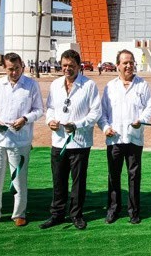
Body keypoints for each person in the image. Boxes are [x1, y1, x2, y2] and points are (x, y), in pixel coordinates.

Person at [0, 53, 44, 227]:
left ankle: (19, 214)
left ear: (22, 66)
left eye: (16, 68)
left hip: (20, 141)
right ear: (4, 68)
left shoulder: (31, 85)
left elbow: (38, 110)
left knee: (19, 179)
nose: (14, 72)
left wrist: (25, 119)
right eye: (10, 69)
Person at [39, 50, 101, 230]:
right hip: (58, 141)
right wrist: (50, 120)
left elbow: (95, 112)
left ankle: (76, 214)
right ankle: (57, 214)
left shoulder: (89, 85)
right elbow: (50, 108)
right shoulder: (55, 84)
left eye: (71, 66)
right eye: (64, 65)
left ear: (79, 66)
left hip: (79, 142)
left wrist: (78, 124)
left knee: (78, 181)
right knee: (58, 180)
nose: (67, 69)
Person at [99, 49, 151, 225]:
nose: (129, 65)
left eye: (131, 62)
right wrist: (106, 127)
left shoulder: (142, 85)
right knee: (113, 176)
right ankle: (113, 210)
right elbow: (103, 113)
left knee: (134, 176)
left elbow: (148, 108)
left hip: (134, 139)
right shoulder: (110, 87)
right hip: (114, 139)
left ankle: (134, 211)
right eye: (125, 63)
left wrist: (142, 120)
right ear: (118, 66)